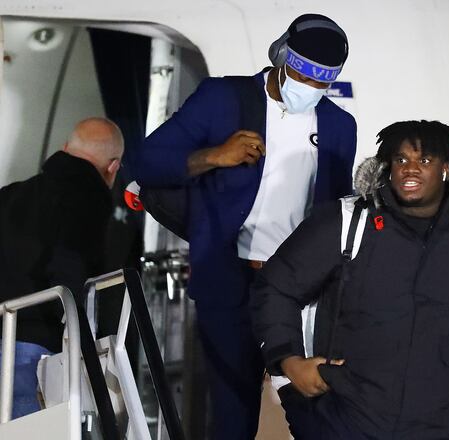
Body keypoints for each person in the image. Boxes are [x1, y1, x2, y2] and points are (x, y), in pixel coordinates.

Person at [252, 120, 449, 439]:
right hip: (351, 417)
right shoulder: (348, 221)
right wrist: (289, 361)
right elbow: (277, 287)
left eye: (425, 160)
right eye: (400, 160)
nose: (410, 169)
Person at [130, 13, 356, 440]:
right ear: (280, 56)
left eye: (322, 83)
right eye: (303, 77)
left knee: (315, 410)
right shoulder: (224, 98)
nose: (309, 91)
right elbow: (145, 161)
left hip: (298, 289)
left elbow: (333, 213)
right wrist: (213, 156)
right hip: (231, 279)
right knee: (234, 411)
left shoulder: (340, 126)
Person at [0, 117, 124, 419]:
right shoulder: (89, 199)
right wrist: (79, 337)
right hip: (32, 349)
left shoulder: (11, 193)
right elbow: (69, 266)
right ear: (113, 168)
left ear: (65, 149)